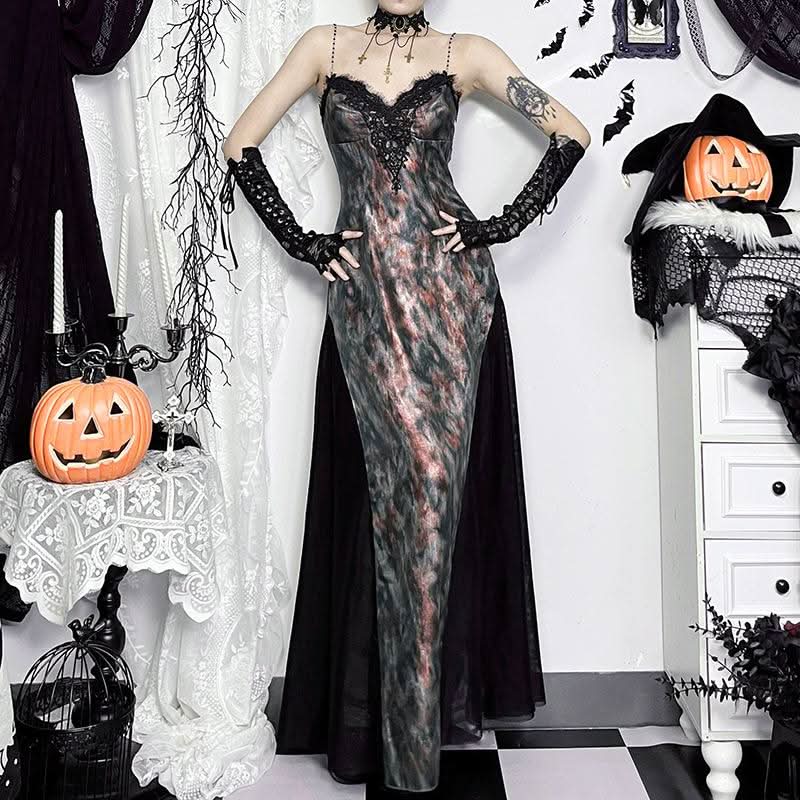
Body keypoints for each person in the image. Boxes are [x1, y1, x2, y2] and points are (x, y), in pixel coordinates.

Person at [222, 2, 590, 794]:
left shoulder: (466, 53)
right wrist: (305, 241)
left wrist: (499, 225)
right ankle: (389, 741)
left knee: (431, 501)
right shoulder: (323, 46)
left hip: (451, 301)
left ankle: (413, 754)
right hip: (365, 304)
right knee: (391, 507)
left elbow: (571, 133)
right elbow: (239, 144)